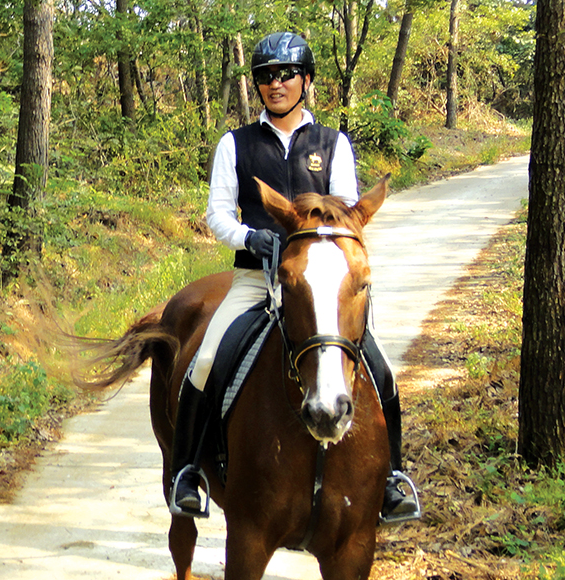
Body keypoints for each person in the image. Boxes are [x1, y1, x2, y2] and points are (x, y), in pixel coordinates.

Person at [169, 31, 419, 523]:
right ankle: (188, 473)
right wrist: (249, 237)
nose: (276, 83)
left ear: (305, 80)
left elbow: (345, 212)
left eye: (286, 74)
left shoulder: (333, 143)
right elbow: (217, 214)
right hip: (256, 281)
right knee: (206, 361)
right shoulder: (235, 144)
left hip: (320, 285)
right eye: (266, 76)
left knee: (381, 366)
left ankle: (393, 478)